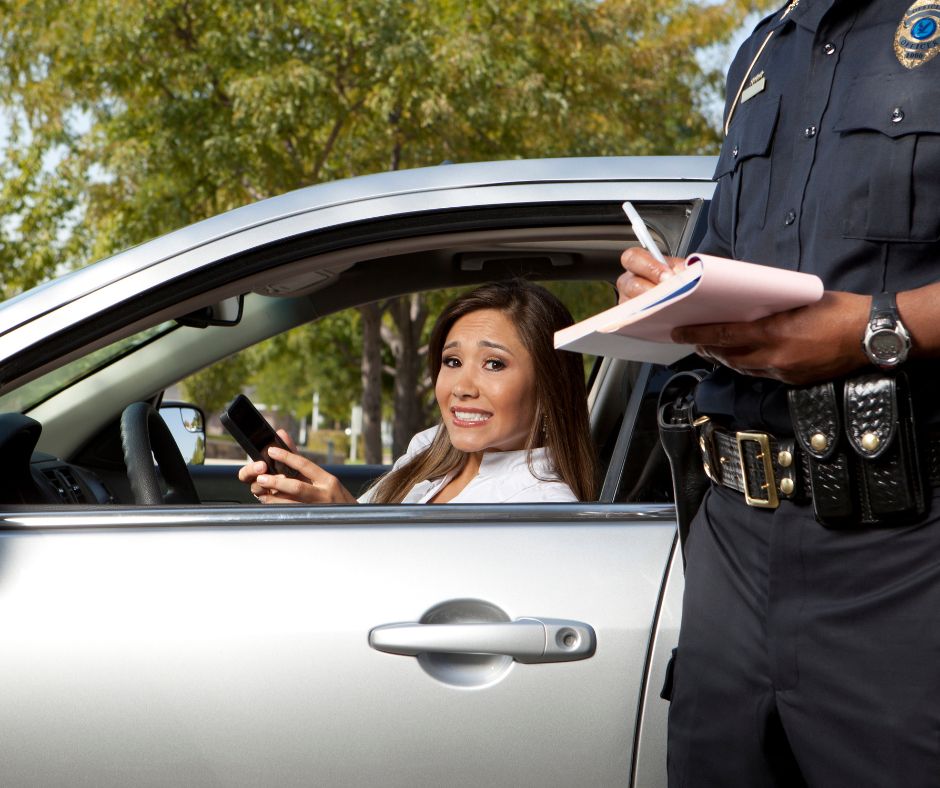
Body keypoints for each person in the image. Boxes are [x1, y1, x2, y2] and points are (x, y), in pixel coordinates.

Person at [619, 1, 940, 785]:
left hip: (907, 549)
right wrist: (667, 290)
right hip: (734, 536)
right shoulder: (767, 44)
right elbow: (728, 258)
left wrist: (876, 327)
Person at [239, 280, 597, 504]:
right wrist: (304, 501)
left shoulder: (544, 510)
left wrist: (344, 522)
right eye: (453, 361)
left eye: (494, 364)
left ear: (549, 385)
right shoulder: (427, 452)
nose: (462, 388)